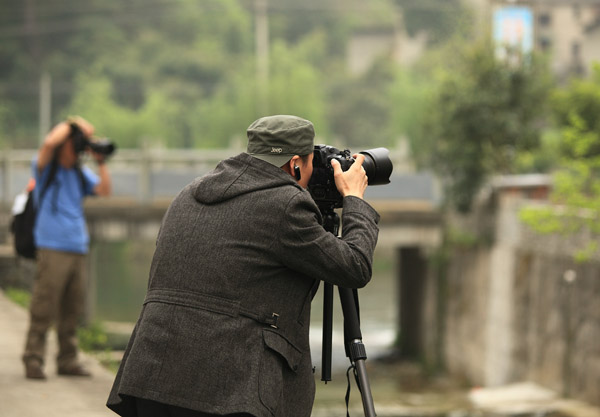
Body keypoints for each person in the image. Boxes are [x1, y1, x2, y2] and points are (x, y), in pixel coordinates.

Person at [107, 115, 380, 417]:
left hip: (153, 373)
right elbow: (354, 266)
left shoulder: (189, 193)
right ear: (296, 165)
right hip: (228, 389)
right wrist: (354, 199)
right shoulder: (286, 205)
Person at [22, 116, 112, 380]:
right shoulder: (45, 167)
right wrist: (76, 127)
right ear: (65, 144)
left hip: (77, 246)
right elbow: (50, 141)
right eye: (76, 144)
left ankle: (67, 359)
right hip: (52, 246)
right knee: (44, 306)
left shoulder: (78, 172)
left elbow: (105, 190)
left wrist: (100, 160)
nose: (79, 148)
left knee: (72, 308)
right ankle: (33, 358)